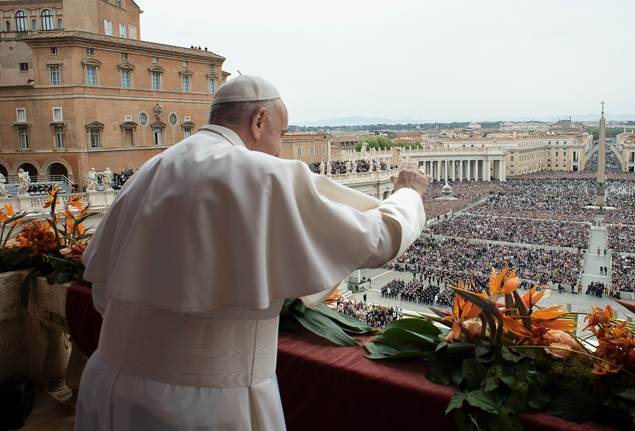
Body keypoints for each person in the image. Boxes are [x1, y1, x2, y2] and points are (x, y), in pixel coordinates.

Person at [74, 75, 431, 431]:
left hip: (108, 385)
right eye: (283, 133)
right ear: (259, 121)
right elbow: (378, 239)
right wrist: (408, 194)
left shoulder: (152, 168)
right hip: (202, 404)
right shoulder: (261, 174)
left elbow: (106, 291)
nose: (279, 148)